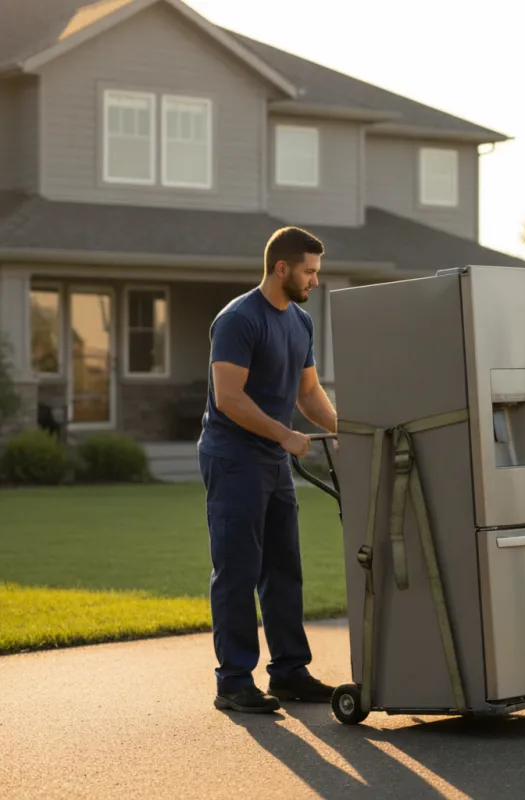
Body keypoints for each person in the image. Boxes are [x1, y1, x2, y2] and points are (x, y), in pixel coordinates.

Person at [197, 226, 339, 713]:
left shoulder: (300, 322)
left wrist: (349, 429)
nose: (315, 281)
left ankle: (289, 673)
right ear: (282, 268)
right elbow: (228, 398)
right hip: (233, 457)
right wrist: (285, 435)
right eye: (309, 271)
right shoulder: (238, 319)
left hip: (272, 460)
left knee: (283, 567)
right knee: (238, 569)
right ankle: (233, 682)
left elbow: (308, 392)